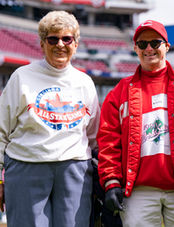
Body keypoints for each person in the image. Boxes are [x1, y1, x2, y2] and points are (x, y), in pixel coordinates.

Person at [97, 19, 174, 227]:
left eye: (155, 42)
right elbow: (109, 141)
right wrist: (111, 181)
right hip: (138, 191)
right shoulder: (119, 92)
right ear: (135, 48)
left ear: (166, 46)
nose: (149, 48)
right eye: (143, 44)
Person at [0, 10, 100, 227]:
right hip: (26, 165)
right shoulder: (21, 77)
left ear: (76, 43)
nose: (60, 45)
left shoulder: (85, 82)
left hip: (74, 168)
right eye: (53, 39)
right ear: (42, 43)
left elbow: (92, 135)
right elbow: (1, 130)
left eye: (67, 38)